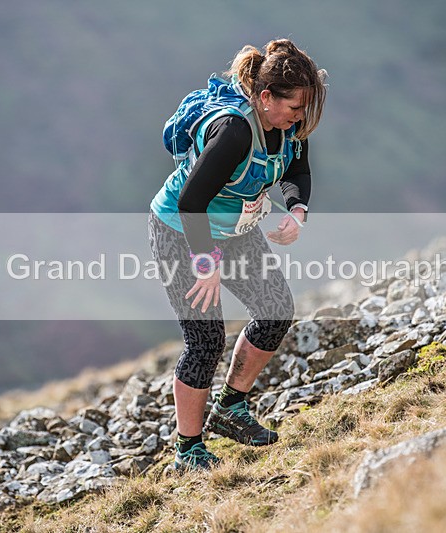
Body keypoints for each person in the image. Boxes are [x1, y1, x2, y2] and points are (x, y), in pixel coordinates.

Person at [149, 39, 327, 471]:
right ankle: (188, 450)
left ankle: (230, 409)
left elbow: (297, 168)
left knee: (276, 310)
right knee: (205, 341)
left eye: (304, 108)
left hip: (235, 232)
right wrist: (205, 262)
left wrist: (297, 210)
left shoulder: (289, 128)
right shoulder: (234, 132)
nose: (300, 116)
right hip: (181, 231)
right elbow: (191, 201)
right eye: (295, 107)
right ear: (266, 97)